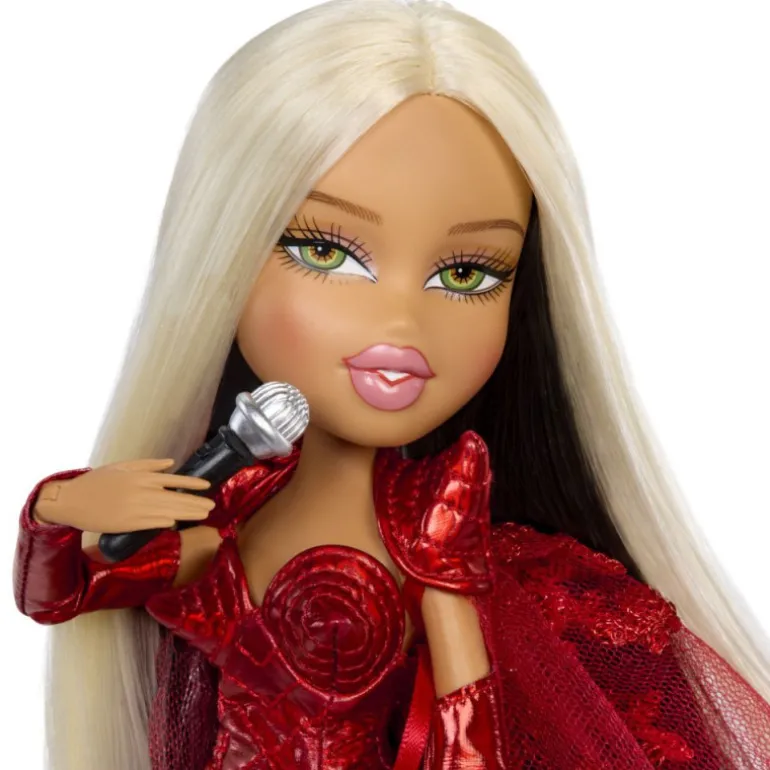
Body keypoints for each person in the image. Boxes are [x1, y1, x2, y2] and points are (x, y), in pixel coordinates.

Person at [12, 1, 770, 768]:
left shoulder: (435, 534)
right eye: (327, 252)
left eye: (466, 273)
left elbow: (469, 733)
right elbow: (58, 596)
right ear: (222, 257)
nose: (401, 322)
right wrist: (56, 509)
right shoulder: (218, 538)